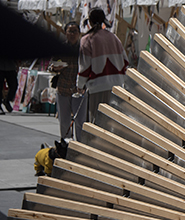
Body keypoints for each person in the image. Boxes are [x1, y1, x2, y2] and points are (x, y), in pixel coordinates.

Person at [77, 9, 129, 142]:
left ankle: (97, 152)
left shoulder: (87, 40)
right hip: (117, 85)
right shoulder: (114, 37)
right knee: (113, 122)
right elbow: (125, 61)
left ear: (89, 21)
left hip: (97, 86)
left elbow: (84, 67)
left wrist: (80, 85)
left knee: (97, 122)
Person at [51, 22, 86, 139]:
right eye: (70, 31)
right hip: (63, 88)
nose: (72, 34)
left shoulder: (84, 49)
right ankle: (66, 145)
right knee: (64, 121)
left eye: (75, 31)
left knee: (80, 121)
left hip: (79, 89)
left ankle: (79, 147)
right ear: (65, 33)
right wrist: (54, 68)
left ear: (79, 33)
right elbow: (51, 65)